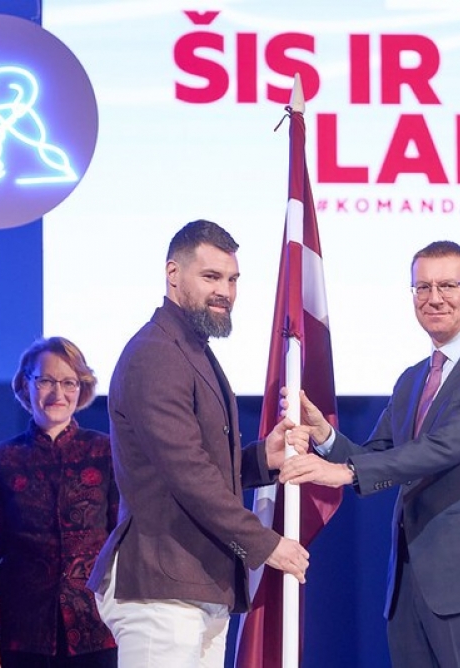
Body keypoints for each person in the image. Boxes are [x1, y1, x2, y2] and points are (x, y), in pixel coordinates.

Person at [280, 240, 460, 668]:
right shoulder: (413, 378)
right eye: (422, 287)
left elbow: (445, 447)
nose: (434, 298)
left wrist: (345, 471)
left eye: (447, 285)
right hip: (409, 584)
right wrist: (326, 437)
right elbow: (376, 455)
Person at [87, 219, 310, 667]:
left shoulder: (191, 349)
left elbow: (195, 464)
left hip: (197, 584)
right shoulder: (156, 353)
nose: (224, 291)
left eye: (232, 279)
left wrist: (260, 460)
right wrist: (265, 544)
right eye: (211, 277)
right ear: (173, 274)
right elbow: (186, 472)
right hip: (161, 587)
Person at [0, 337, 118, 668]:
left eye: (69, 382)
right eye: (46, 380)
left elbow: (123, 540)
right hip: (22, 633)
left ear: (82, 388)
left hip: (97, 628)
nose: (57, 393)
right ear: (26, 384)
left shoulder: (105, 452)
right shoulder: (3, 458)